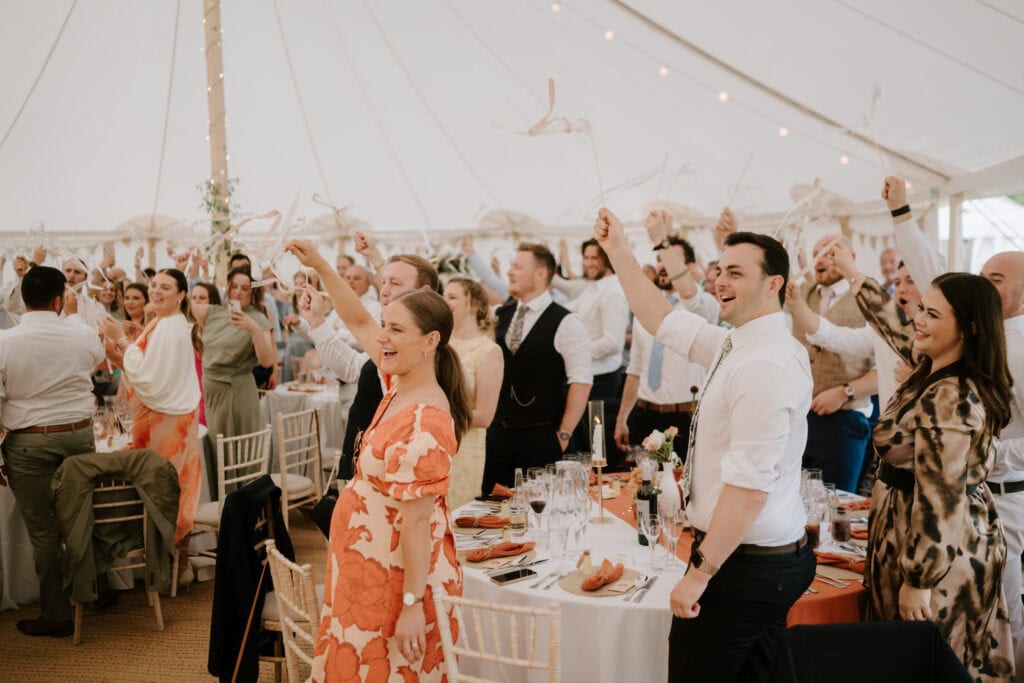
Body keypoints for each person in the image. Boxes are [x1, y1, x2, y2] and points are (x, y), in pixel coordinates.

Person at [595, 207, 814, 682]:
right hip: (757, 560)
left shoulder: (764, 364)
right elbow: (660, 317)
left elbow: (749, 489)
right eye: (719, 270)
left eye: (735, 272)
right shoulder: (736, 344)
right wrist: (619, 251)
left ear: (774, 284)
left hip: (746, 566)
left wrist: (699, 573)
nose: (719, 281)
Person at [286, 238, 468, 681]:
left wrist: (411, 606)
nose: (381, 336)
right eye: (384, 326)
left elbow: (417, 522)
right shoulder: (399, 383)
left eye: (395, 330)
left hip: (397, 581)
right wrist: (320, 264)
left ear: (430, 340)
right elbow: (355, 318)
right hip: (367, 571)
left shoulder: (426, 418)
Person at [837, 245, 1014, 679]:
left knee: (927, 665)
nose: (918, 319)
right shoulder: (932, 366)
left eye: (932, 314)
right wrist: (853, 274)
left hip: (940, 555)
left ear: (969, 328)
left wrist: (920, 580)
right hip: (913, 537)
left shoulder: (950, 395)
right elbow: (892, 326)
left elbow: (941, 498)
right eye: (921, 308)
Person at [884, 175, 1024, 675]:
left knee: (976, 640)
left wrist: (980, 456)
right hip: (942, 522)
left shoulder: (959, 388)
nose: (982, 283)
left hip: (981, 516)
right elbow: (929, 292)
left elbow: (942, 492)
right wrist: (901, 214)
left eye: (995, 278)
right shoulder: (948, 356)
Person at [0, 266, 104, 636]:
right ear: (59, 300)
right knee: (82, 518)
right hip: (78, 436)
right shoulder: (82, 333)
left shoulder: (5, 341)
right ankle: (94, 594)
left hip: (29, 441)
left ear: (22, 299)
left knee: (43, 530)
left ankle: (56, 614)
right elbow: (95, 361)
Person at [299, 240, 440, 481]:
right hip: (377, 462)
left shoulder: (418, 348)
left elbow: (359, 321)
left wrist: (320, 264)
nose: (383, 291)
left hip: (403, 470)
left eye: (394, 283)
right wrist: (317, 322)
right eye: (383, 282)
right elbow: (353, 365)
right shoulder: (396, 345)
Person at [99, 269, 202, 585]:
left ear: (181, 295)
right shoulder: (162, 322)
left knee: (166, 489)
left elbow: (148, 376)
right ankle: (164, 568)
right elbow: (145, 369)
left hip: (165, 425)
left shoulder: (171, 327)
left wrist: (120, 338)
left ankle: (168, 569)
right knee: (168, 488)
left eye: (165, 287)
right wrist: (123, 347)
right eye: (154, 285)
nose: (156, 291)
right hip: (161, 420)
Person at [483, 243, 592, 492]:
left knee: (541, 507)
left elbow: (582, 381)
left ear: (541, 274)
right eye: (510, 267)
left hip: (542, 439)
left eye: (517, 267)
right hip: (497, 439)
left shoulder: (567, 322)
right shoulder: (499, 315)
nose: (509, 272)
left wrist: (563, 436)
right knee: (492, 509)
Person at [790, 235, 875, 491]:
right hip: (800, 416)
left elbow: (887, 368)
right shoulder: (803, 293)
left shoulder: (868, 299)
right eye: (816, 253)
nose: (820, 259)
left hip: (844, 420)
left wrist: (844, 392)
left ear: (851, 258)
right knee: (797, 498)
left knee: (838, 500)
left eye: (830, 253)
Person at [192, 266, 275, 450]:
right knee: (215, 446)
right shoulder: (213, 312)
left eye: (244, 288)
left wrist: (253, 329)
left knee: (234, 449)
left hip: (236, 392)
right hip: (211, 393)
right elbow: (181, 304)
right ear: (228, 286)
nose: (237, 292)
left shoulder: (257, 318)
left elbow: (267, 361)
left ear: (253, 292)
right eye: (234, 286)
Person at [443, 277, 502, 507]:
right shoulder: (440, 344)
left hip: (464, 449)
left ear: (474, 305)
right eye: (444, 296)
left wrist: (436, 413)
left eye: (452, 297)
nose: (445, 302)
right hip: (431, 444)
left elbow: (484, 416)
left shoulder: (488, 351)